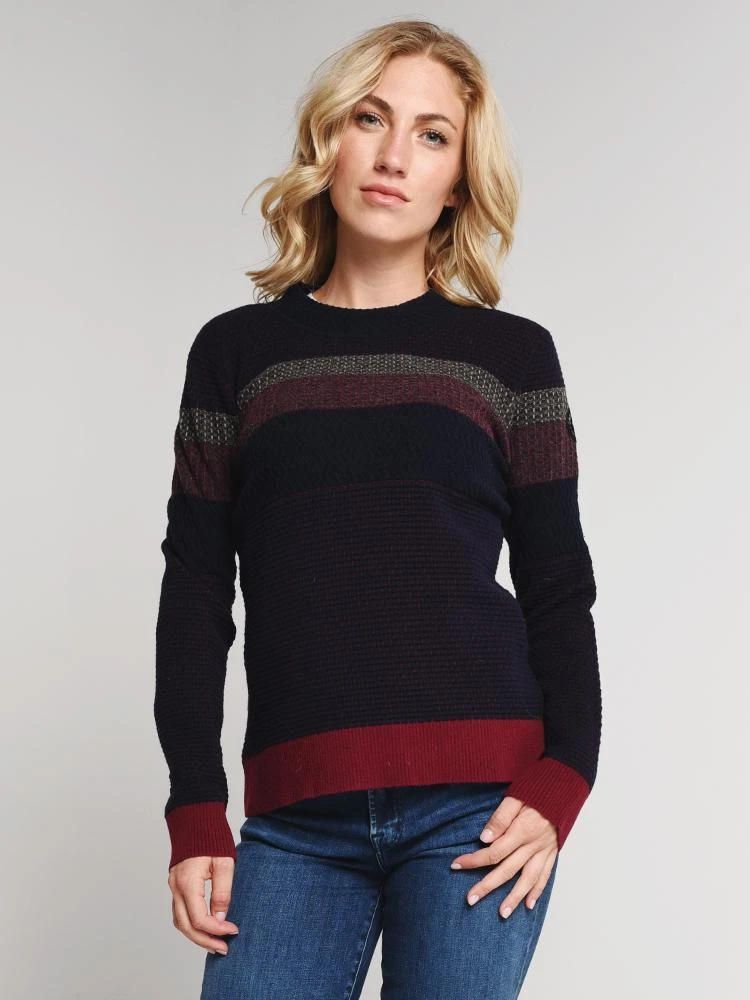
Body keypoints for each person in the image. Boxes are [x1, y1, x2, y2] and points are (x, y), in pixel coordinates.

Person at [154, 18, 602, 999]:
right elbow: (195, 590)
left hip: (477, 810)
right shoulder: (234, 354)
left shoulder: (513, 358)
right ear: (331, 138)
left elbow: (559, 586)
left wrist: (566, 774)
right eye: (371, 118)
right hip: (294, 821)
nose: (395, 155)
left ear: (459, 181)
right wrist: (195, 808)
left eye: (433, 136)